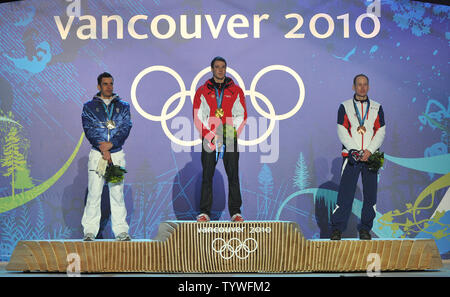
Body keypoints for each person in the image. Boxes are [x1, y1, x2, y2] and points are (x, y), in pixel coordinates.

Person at [330, 74, 386, 240]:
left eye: (365, 84)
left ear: (368, 87)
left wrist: (369, 150)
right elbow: (342, 129)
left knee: (370, 195)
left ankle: (365, 229)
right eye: (359, 84)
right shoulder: (345, 106)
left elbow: (380, 131)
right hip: (351, 156)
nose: (362, 87)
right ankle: (337, 229)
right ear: (353, 87)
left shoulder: (377, 107)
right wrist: (355, 149)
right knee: (345, 194)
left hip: (372, 156)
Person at [193, 57, 248, 222]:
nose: (220, 70)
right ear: (212, 69)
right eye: (217, 67)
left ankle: (236, 212)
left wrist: (230, 133)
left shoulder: (236, 91)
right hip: (209, 138)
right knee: (207, 175)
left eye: (223, 67)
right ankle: (204, 212)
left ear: (226, 69)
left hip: (230, 137)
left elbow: (241, 114)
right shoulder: (202, 91)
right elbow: (198, 116)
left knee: (233, 175)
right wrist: (210, 135)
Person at [81, 72, 132, 241]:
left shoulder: (123, 106)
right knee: (94, 193)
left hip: (116, 156)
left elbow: (125, 128)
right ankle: (89, 231)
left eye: (111, 83)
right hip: (98, 155)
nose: (109, 87)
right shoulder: (89, 107)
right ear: (98, 86)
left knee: (117, 194)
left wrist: (111, 145)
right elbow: (89, 129)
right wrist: (103, 148)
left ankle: (121, 232)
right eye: (105, 84)